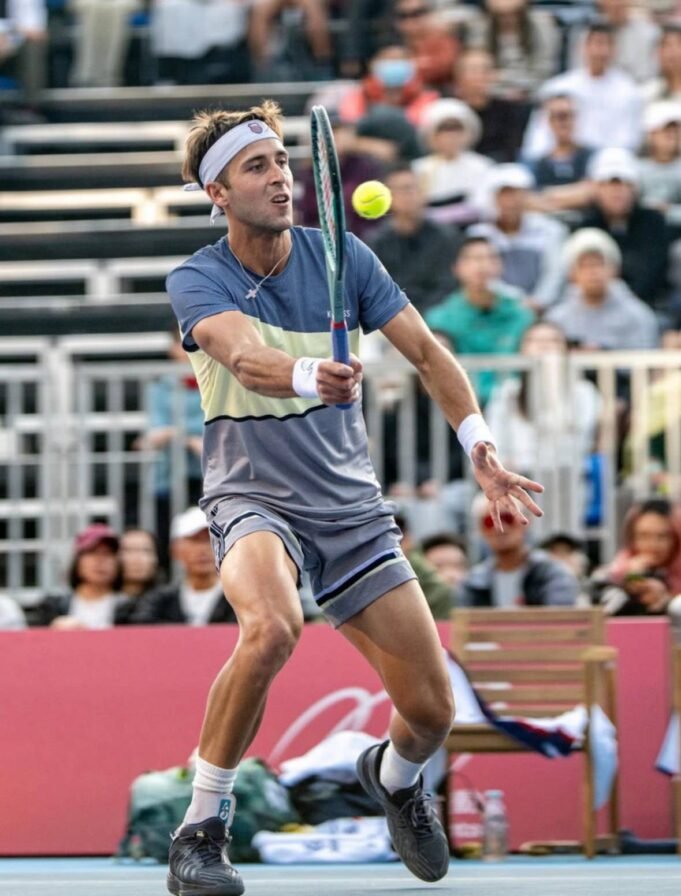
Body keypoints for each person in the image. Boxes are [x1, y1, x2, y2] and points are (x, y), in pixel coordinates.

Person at [163, 99, 543, 895]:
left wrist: (479, 446)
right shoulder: (198, 277)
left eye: (281, 161)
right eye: (256, 167)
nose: (280, 178)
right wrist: (310, 374)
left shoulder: (346, 260)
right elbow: (244, 357)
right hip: (254, 496)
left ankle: (396, 780)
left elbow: (429, 356)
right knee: (271, 628)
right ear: (217, 193)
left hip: (350, 510)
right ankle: (200, 828)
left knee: (431, 713)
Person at [425, 234, 534, 404]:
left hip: (513, 406)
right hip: (460, 407)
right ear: (456, 268)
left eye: (490, 258)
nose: (482, 265)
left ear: (501, 266)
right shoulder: (439, 319)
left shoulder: (522, 315)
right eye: (473, 258)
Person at [133, 326, 204, 570]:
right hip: (166, 479)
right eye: (183, 343)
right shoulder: (159, 388)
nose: (190, 350)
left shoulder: (220, 382)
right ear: (173, 348)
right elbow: (154, 432)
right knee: (164, 542)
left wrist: (175, 433)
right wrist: (189, 438)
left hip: (208, 478)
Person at [521, 21, 643, 161]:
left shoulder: (628, 90)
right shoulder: (557, 87)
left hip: (608, 162)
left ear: (615, 50)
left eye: (607, 45)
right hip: (562, 160)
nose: (601, 51)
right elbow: (538, 137)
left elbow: (629, 140)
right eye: (597, 44)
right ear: (583, 47)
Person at [578, 146, 670, 309]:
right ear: (597, 189)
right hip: (598, 304)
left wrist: (628, 303)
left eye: (623, 185)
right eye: (608, 185)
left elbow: (654, 270)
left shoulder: (652, 221)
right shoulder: (587, 226)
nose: (616, 192)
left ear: (634, 188)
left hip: (648, 303)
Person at [471, 163, 568, 310]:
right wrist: (517, 304)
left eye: (516, 194)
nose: (510, 202)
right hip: (496, 310)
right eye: (504, 194)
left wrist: (539, 302)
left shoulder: (550, 230)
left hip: (546, 310)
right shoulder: (479, 235)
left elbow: (555, 273)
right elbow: (482, 276)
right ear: (493, 198)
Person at [546, 227, 659, 350]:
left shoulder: (637, 315)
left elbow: (644, 356)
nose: (593, 272)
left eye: (599, 264)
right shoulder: (557, 318)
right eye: (584, 266)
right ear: (572, 274)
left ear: (615, 270)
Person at [368, 163, 460, 313]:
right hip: (392, 317)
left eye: (412, 188)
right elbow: (376, 290)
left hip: (437, 315)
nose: (408, 195)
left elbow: (449, 285)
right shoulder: (376, 242)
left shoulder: (446, 237)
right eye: (400, 190)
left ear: (423, 193)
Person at [459, 494, 579, 608]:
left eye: (508, 518)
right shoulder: (472, 582)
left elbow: (559, 618)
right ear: (481, 530)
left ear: (526, 521)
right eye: (490, 521)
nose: (501, 527)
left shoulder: (553, 575)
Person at [131, 507, 236, 625]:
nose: (203, 550)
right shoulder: (157, 602)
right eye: (194, 540)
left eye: (211, 539)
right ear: (175, 549)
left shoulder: (240, 600)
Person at [27, 523, 131, 629]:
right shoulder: (52, 607)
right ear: (78, 561)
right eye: (92, 552)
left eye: (108, 554)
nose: (100, 560)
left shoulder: (130, 609)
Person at [588, 498, 681, 616]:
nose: (653, 544)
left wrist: (667, 601)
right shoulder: (612, 573)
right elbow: (600, 610)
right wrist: (628, 582)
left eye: (662, 536)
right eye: (644, 536)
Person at [412, 97, 492, 226]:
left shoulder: (483, 166)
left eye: (457, 129)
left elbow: (484, 207)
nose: (451, 136)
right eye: (444, 129)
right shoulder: (419, 168)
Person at [120, 527, 163, 602]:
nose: (137, 558)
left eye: (145, 550)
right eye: (129, 550)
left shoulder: (168, 602)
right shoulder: (106, 600)